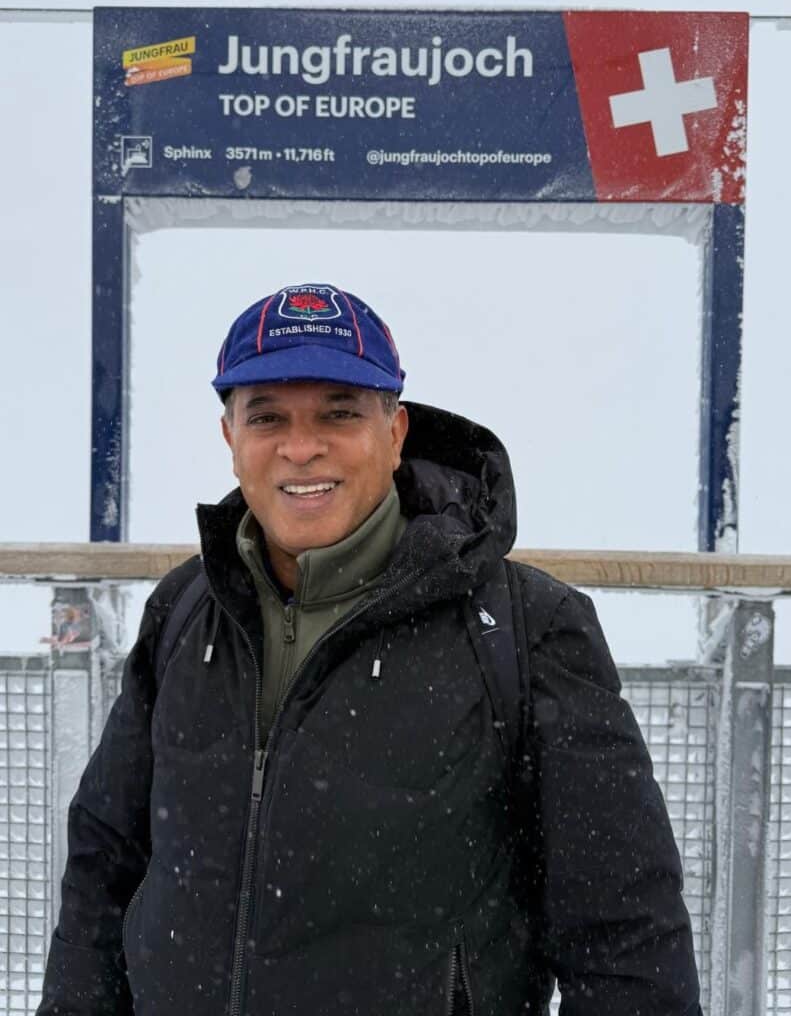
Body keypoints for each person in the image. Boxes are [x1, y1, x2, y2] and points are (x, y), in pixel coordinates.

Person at [38, 283, 702, 1015]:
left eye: (338, 414)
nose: (300, 446)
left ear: (394, 434)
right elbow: (105, 866)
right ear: (231, 441)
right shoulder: (185, 608)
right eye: (267, 418)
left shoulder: (523, 625)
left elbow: (622, 927)